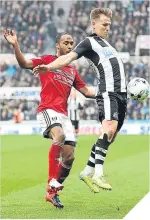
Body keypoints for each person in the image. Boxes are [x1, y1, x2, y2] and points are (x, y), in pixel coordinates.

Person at [33, 8, 127, 193]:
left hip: (121, 93)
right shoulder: (88, 42)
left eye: (109, 25)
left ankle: (87, 171)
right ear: (94, 24)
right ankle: (98, 173)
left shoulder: (107, 45)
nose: (108, 28)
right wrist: (49, 67)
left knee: (111, 136)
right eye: (104, 24)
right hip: (108, 92)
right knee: (108, 130)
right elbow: (68, 58)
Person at [4, 30, 96, 207]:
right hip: (48, 110)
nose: (70, 46)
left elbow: (87, 92)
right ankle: (52, 180)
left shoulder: (72, 70)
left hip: (64, 115)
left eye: (71, 43)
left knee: (69, 158)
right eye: (66, 43)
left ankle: (51, 193)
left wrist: (107, 93)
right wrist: (15, 45)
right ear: (57, 45)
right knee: (59, 136)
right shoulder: (47, 60)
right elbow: (24, 63)